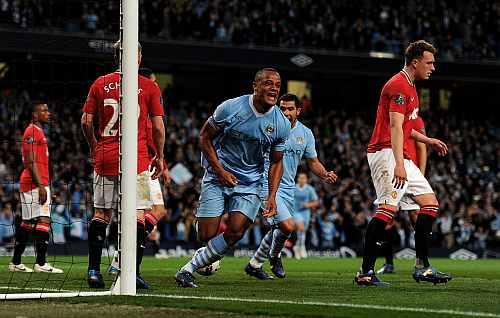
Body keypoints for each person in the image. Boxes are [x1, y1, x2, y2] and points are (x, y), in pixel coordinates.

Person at [174, 68, 291, 288]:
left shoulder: (281, 124)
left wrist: (272, 195)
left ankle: (187, 270)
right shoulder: (230, 108)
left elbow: (277, 162)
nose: (274, 88)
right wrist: (219, 171)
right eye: (268, 83)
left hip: (250, 183)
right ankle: (207, 253)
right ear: (255, 86)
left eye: (277, 84)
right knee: (205, 234)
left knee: (236, 231)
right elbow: (204, 137)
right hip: (218, 176)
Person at [355, 40, 452, 286]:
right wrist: (399, 163)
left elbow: (406, 127)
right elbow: (396, 127)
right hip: (385, 153)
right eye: (429, 63)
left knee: (429, 203)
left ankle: (422, 266)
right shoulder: (399, 86)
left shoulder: (410, 87)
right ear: (416, 61)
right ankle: (365, 272)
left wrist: (427, 139)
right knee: (387, 210)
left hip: (398, 154)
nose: (433, 67)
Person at [81, 41, 165, 289]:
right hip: (137, 160)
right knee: (138, 215)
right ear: (137, 57)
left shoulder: (99, 82)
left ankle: (94, 270)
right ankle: (132, 274)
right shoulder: (148, 86)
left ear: (116, 56)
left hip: (106, 156)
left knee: (101, 214)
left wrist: (94, 145)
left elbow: (86, 121)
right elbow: (158, 127)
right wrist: (159, 156)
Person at [245, 93, 337, 280]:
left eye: (290, 109)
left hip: (288, 188)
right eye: (282, 108)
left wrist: (324, 174)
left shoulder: (305, 134)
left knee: (278, 228)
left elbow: (313, 162)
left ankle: (254, 264)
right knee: (287, 226)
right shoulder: (268, 127)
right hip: (267, 185)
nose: (285, 112)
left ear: (298, 111)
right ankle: (275, 255)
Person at [9, 101, 63, 274]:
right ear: (35, 114)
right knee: (44, 221)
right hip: (33, 183)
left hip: (37, 183)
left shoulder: (39, 132)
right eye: (44, 110)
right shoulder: (31, 131)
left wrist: (47, 187)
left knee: (27, 223)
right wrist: (41, 186)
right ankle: (41, 263)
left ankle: (16, 262)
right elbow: (31, 162)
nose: (49, 113)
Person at [377, 116, 426, 274]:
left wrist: (421, 175)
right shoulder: (389, 119)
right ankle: (389, 263)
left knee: (415, 217)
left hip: (409, 171)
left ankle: (422, 262)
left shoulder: (416, 120)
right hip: (390, 171)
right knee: (386, 218)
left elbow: (421, 147)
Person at [293, 172, 320, 259]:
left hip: (305, 212)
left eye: (303, 178)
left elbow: (316, 201)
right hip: (295, 211)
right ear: (298, 179)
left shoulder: (309, 189)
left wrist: (308, 205)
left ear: (306, 180)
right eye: (300, 178)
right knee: (300, 227)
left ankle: (298, 247)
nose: (302, 180)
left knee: (303, 230)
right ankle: (301, 246)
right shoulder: (293, 188)